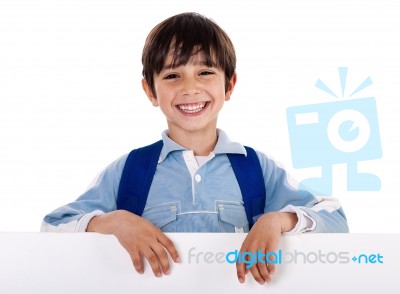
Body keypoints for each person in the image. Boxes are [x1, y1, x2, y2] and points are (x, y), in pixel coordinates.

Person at [41, 12, 348, 285]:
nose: (190, 88)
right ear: (150, 90)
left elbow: (336, 220)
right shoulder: (130, 170)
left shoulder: (255, 168)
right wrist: (113, 221)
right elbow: (52, 227)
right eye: (172, 75)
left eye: (205, 72)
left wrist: (278, 220)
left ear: (229, 85)